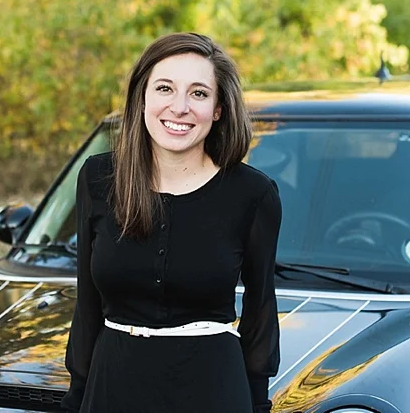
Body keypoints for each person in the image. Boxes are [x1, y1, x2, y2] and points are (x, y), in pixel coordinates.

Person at [61, 32, 282, 413]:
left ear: (218, 109)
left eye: (198, 93)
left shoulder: (253, 195)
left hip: (214, 391)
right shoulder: (98, 179)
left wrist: (257, 404)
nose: (179, 107)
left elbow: (260, 313)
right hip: (112, 387)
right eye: (165, 88)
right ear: (142, 97)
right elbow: (87, 305)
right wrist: (76, 397)